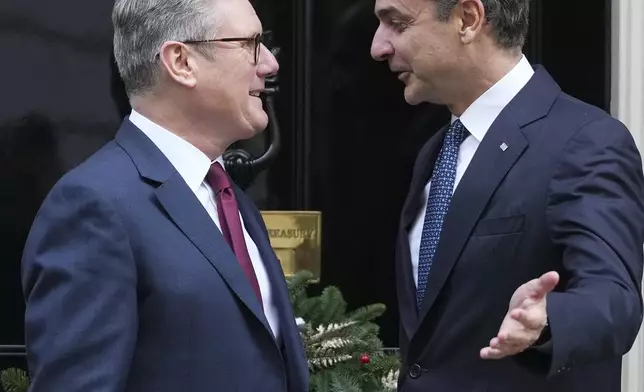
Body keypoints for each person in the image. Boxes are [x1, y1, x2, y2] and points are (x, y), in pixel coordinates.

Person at [20, 0, 308, 390]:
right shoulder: (93, 206)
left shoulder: (226, 195)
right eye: (250, 43)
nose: (270, 64)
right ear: (181, 62)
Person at [370, 0, 644, 391]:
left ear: (468, 18)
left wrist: (549, 319)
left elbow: (615, 301)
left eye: (397, 23)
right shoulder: (435, 151)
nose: (378, 46)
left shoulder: (585, 141)